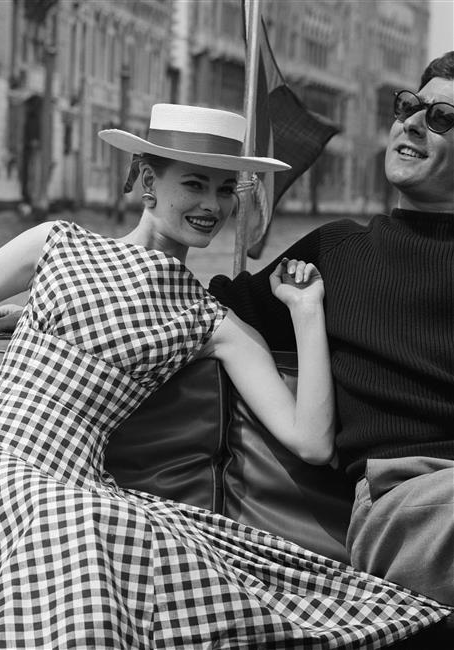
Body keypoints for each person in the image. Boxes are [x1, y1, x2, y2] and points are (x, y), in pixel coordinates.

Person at [0, 103, 449, 649]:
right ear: (147, 181)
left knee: (90, 525)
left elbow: (313, 442)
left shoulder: (211, 319)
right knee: (75, 522)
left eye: (226, 190)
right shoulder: (56, 243)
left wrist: (306, 311)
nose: (212, 206)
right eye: (195, 184)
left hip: (70, 482)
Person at [209, 52, 454, 608]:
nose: (413, 123)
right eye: (409, 107)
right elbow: (194, 307)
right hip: (404, 503)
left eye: (441, 118)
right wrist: (59, 292)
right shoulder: (337, 252)